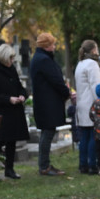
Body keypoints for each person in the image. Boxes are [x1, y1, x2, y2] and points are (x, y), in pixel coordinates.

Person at [0, 43, 29, 181]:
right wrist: (8, 99)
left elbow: (19, 87)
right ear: (3, 57)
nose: (12, 61)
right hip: (1, 112)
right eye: (10, 58)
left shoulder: (12, 70)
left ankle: (9, 169)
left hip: (14, 111)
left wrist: (22, 95)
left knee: (11, 141)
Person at [29, 33, 70, 176]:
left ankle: (44, 165)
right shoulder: (44, 60)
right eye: (52, 44)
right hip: (48, 103)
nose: (54, 46)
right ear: (46, 46)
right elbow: (56, 80)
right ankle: (44, 166)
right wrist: (67, 93)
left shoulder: (39, 58)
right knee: (47, 133)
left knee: (47, 133)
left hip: (44, 102)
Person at [74, 40, 100, 175]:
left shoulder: (80, 63)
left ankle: (83, 164)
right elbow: (96, 86)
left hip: (83, 103)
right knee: (93, 136)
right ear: (94, 50)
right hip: (92, 104)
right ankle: (92, 165)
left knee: (85, 136)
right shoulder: (92, 64)